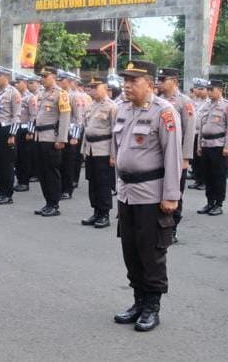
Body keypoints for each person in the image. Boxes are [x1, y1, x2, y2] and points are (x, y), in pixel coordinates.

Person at [112, 60, 182, 333]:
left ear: (150, 84)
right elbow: (120, 151)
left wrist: (171, 196)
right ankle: (138, 301)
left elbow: (173, 156)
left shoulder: (164, 113)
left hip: (152, 194)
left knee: (151, 253)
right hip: (127, 193)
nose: (127, 86)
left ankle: (152, 306)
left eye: (133, 81)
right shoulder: (122, 109)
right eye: (125, 81)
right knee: (130, 250)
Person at [156, 68, 196, 243]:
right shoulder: (157, 100)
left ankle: (172, 228)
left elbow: (189, 131)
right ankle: (159, 226)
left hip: (177, 155)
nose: (160, 82)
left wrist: (185, 158)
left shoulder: (184, 102)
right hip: (159, 155)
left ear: (174, 81)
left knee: (175, 193)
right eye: (159, 79)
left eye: (163, 79)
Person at [33, 66, 71, 217]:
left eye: (45, 76)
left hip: (51, 138)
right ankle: (48, 202)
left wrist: (61, 139)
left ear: (53, 76)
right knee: (42, 172)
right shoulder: (42, 94)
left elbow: (65, 117)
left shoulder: (61, 94)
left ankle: (54, 204)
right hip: (40, 136)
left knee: (51, 172)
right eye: (41, 76)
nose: (42, 79)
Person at [195, 79, 228, 216]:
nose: (209, 92)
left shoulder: (227, 106)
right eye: (208, 89)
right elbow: (201, 125)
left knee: (218, 176)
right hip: (206, 144)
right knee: (207, 175)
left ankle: (218, 203)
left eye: (212, 89)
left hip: (219, 145)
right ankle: (210, 201)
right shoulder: (206, 105)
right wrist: (199, 144)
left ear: (220, 90)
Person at [81, 75, 116, 228]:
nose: (93, 90)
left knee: (103, 183)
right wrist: (84, 148)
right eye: (92, 87)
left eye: (96, 87)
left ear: (105, 88)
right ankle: (95, 211)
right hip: (90, 149)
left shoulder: (112, 106)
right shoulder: (91, 105)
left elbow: (116, 133)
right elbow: (86, 129)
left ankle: (104, 214)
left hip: (104, 149)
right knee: (92, 182)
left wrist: (113, 155)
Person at [0, 65, 21, 205]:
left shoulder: (13, 93)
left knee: (6, 164)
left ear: (6, 77)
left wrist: (12, 134)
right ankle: (1, 191)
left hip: (6, 130)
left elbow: (16, 116)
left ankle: (8, 194)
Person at [57, 71, 83, 200]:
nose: (59, 82)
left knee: (68, 163)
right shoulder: (58, 94)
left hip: (70, 133)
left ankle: (67, 189)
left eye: (62, 80)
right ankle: (60, 187)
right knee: (59, 162)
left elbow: (78, 119)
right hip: (59, 132)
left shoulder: (74, 96)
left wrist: (75, 137)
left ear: (68, 80)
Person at [188, 79, 209, 190]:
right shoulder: (193, 101)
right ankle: (197, 179)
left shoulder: (209, 102)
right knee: (195, 159)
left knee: (202, 160)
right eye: (196, 88)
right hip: (194, 133)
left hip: (203, 134)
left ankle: (204, 181)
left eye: (200, 89)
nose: (197, 91)